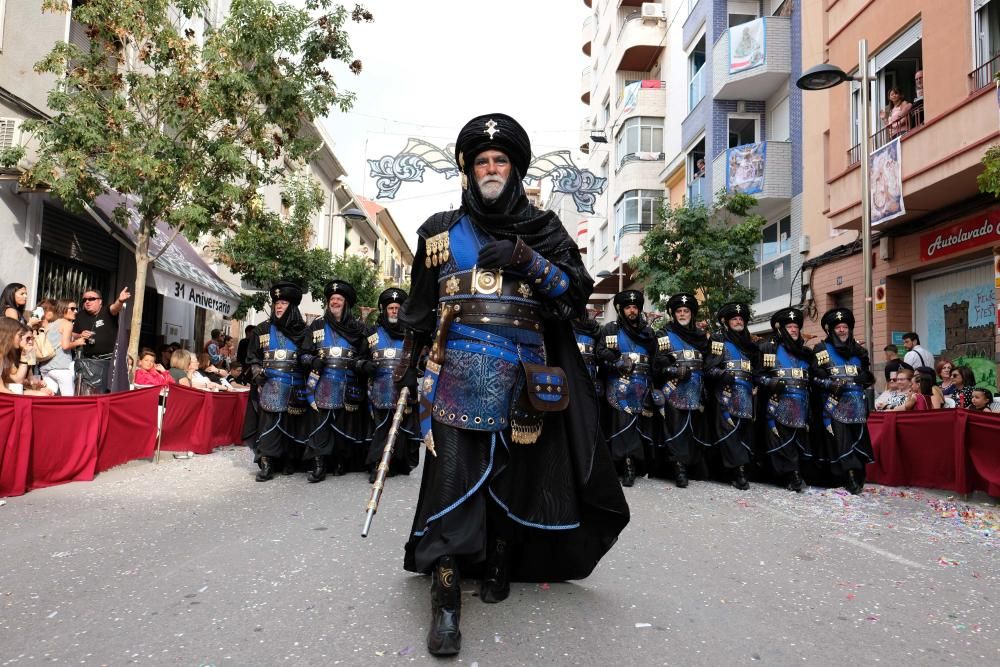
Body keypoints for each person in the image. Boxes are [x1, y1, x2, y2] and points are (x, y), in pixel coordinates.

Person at [394, 113, 629, 656]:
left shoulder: (544, 227)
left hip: (526, 380)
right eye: (482, 161)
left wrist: (527, 258)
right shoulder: (437, 231)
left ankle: (500, 557)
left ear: (515, 169)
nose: (491, 168)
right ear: (468, 169)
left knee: (513, 477)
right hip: (453, 376)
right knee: (451, 480)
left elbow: (574, 297)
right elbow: (420, 310)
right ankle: (447, 596)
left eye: (500, 160)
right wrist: (407, 369)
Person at [242, 281, 312, 481]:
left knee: (293, 424)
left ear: (292, 306)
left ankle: (290, 460)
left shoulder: (303, 331)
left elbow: (308, 355)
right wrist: (257, 372)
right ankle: (267, 462)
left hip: (296, 385)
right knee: (268, 425)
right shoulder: (261, 330)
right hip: (269, 385)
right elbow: (252, 356)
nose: (279, 306)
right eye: (276, 302)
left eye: (283, 303)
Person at [303, 279, 369, 483]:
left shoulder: (357, 328)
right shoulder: (317, 325)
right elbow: (303, 353)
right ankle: (319, 465)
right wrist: (312, 360)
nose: (335, 301)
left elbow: (365, 355)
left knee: (344, 425)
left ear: (346, 303)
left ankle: (340, 460)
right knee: (320, 425)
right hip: (321, 382)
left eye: (339, 298)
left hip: (348, 383)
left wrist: (359, 365)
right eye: (332, 298)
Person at [596, 289, 658, 487]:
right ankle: (624, 464)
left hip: (643, 386)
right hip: (618, 384)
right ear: (621, 310)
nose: (632, 311)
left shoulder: (648, 333)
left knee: (639, 425)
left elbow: (656, 359)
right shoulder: (610, 329)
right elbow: (600, 352)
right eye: (628, 307)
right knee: (621, 425)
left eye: (635, 307)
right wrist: (616, 361)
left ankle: (638, 463)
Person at [811, 308, 875, 494]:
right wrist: (829, 385)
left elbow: (866, 374)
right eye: (838, 327)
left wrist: (866, 378)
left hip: (857, 405)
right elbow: (815, 376)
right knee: (841, 442)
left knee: (859, 440)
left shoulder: (860, 351)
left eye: (844, 326)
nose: (841, 330)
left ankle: (859, 475)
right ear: (831, 330)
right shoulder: (821, 349)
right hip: (834, 404)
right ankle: (849, 477)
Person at [362, 288, 421, 483]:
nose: (394, 311)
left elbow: (422, 360)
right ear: (384, 310)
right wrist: (364, 365)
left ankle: (396, 463)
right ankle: (377, 465)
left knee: (401, 429)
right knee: (381, 428)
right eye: (391, 308)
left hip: (404, 390)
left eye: (397, 308)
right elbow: (359, 358)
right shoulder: (372, 333)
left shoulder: (412, 335)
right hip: (379, 389)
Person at [653, 293, 709, 489]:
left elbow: (709, 363)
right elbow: (658, 363)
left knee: (694, 429)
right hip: (673, 390)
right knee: (675, 429)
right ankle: (678, 469)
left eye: (686, 311)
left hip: (697, 390)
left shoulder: (701, 337)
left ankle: (693, 467)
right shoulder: (664, 334)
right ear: (673, 314)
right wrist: (674, 370)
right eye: (679, 311)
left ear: (692, 314)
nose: (683, 314)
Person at [755, 308, 813, 492]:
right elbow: (759, 375)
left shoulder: (805, 352)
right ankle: (791, 475)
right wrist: (771, 382)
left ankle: (797, 472)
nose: (794, 330)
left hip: (803, 405)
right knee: (781, 441)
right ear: (781, 330)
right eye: (790, 327)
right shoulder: (770, 348)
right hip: (777, 404)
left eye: (796, 326)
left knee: (800, 442)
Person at [704, 302, 758, 490]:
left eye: (741, 318)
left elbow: (756, 370)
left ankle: (741, 468)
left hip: (746, 396)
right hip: (724, 395)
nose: (738, 321)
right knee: (728, 434)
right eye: (734, 318)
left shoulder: (750, 344)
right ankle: (738, 471)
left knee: (745, 433)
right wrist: (722, 374)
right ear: (726, 322)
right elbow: (709, 368)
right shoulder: (719, 341)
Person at [73, 286, 131, 395]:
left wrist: (120, 300)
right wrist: (80, 335)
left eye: (91, 299)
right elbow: (73, 334)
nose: (87, 302)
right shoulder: (80, 315)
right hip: (88, 362)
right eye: (85, 300)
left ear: (100, 301)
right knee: (88, 394)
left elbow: (115, 308)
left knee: (106, 393)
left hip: (108, 362)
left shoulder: (106, 311)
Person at [39, 299, 86, 395]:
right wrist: (78, 342)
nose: (76, 311)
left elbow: (60, 338)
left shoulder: (51, 324)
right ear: (63, 308)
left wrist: (79, 335)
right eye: (72, 309)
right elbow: (65, 345)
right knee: (68, 400)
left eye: (76, 309)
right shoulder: (68, 324)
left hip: (46, 367)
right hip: (61, 368)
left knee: (48, 397)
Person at [0, 318, 54, 395]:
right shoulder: (9, 354)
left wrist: (37, 385)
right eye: (27, 338)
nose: (31, 342)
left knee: (44, 394)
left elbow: (29, 378)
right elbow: (12, 381)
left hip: (16, 389)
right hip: (11, 389)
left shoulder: (28, 353)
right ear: (9, 335)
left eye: (32, 338)